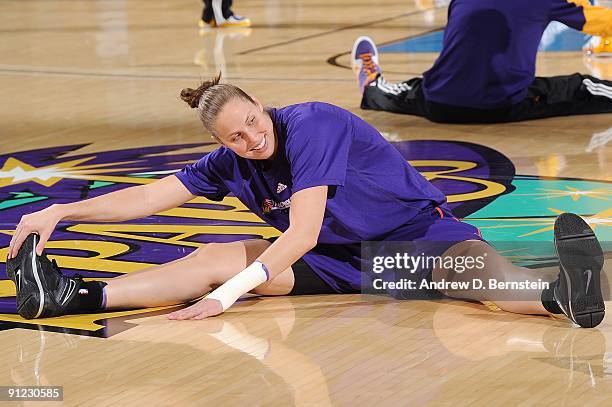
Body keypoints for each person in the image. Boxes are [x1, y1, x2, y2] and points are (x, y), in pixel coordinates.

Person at [5, 74, 606, 327]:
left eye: (251, 122)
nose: (250, 138)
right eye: (234, 137)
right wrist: (64, 210)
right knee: (219, 255)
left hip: (408, 239)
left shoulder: (313, 125)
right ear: (221, 142)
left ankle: (560, 294)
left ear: (261, 105)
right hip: (342, 260)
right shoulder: (230, 161)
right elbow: (149, 198)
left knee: (477, 275)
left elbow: (303, 233)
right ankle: (71, 295)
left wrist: (226, 299)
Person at [353, 0, 612, 123]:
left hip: (439, 104)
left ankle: (372, 85)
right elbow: (605, 23)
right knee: (583, 86)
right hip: (504, 105)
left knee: (407, 90)